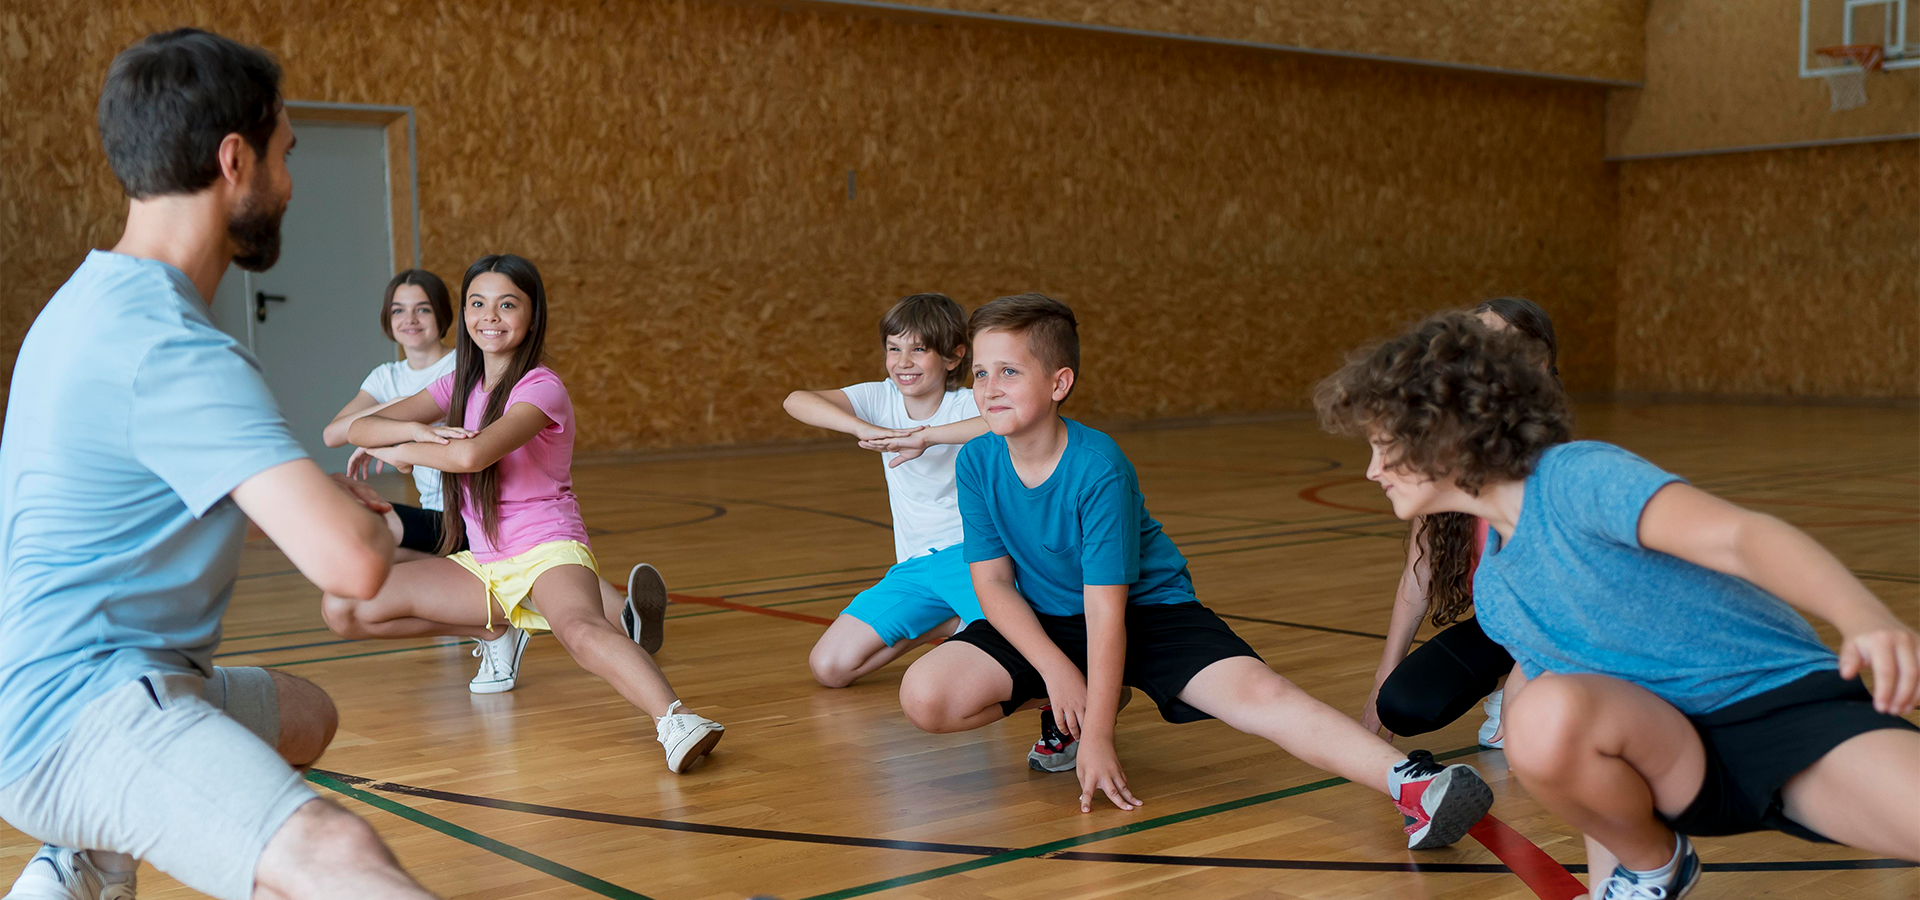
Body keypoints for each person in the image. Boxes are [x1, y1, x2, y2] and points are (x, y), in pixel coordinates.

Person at [0, 28, 441, 900]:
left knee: (306, 715)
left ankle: (80, 864)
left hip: (63, 677)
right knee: (340, 855)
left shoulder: (87, 297)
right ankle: (90, 838)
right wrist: (376, 518)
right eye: (285, 155)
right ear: (233, 160)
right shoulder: (170, 346)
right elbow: (352, 565)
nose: (289, 183)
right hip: (82, 714)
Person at [1316, 311, 1920, 899]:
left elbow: (1743, 537)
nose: (1372, 471)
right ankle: (1650, 871)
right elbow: (1580, 741)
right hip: (1680, 764)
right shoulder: (1497, 589)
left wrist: (1863, 614)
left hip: (1782, 714)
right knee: (1538, 708)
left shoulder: (1576, 478)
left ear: (1445, 432)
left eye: (1383, 446)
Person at [896, 294, 1495, 851]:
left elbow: (1109, 615)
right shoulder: (975, 460)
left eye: (1009, 372)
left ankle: (1412, 783)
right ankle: (1072, 710)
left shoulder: (1098, 467)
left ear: (1059, 383)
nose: (988, 388)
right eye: (979, 372)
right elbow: (994, 585)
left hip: (1149, 614)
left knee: (1262, 697)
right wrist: (1057, 675)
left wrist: (1100, 734)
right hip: (1050, 621)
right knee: (926, 696)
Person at [326, 254, 724, 773]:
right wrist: (420, 431)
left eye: (507, 304)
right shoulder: (456, 387)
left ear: (532, 317)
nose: (489, 316)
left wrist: (404, 448)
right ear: (465, 313)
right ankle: (492, 629)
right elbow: (358, 428)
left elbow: (471, 455)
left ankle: (676, 720)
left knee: (579, 630)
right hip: (485, 562)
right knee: (345, 608)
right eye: (477, 303)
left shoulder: (541, 387)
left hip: (547, 547)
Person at [1361, 297, 1559, 748]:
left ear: (1536, 366)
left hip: (1571, 628)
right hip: (1505, 622)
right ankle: (1514, 676)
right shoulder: (1448, 458)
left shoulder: (1551, 468)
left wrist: (1526, 677)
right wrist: (1382, 676)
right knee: (1401, 703)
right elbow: (1419, 574)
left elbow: (1565, 601)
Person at [783, 293, 990, 689]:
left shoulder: (966, 404)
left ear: (953, 356)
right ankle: (949, 620)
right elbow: (796, 400)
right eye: (894, 349)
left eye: (919, 350)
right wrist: (861, 426)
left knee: (1009, 658)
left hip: (970, 561)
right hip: (913, 568)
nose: (903, 362)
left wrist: (927, 438)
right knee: (830, 668)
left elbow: (1001, 422)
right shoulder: (880, 398)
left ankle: (964, 620)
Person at [323, 269, 458, 557]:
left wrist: (385, 429)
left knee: (368, 542)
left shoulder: (460, 365)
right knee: (356, 554)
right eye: (399, 311)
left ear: (441, 315)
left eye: (422, 309)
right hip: (434, 513)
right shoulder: (386, 378)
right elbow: (332, 434)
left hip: (469, 518)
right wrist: (395, 404)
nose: (410, 320)